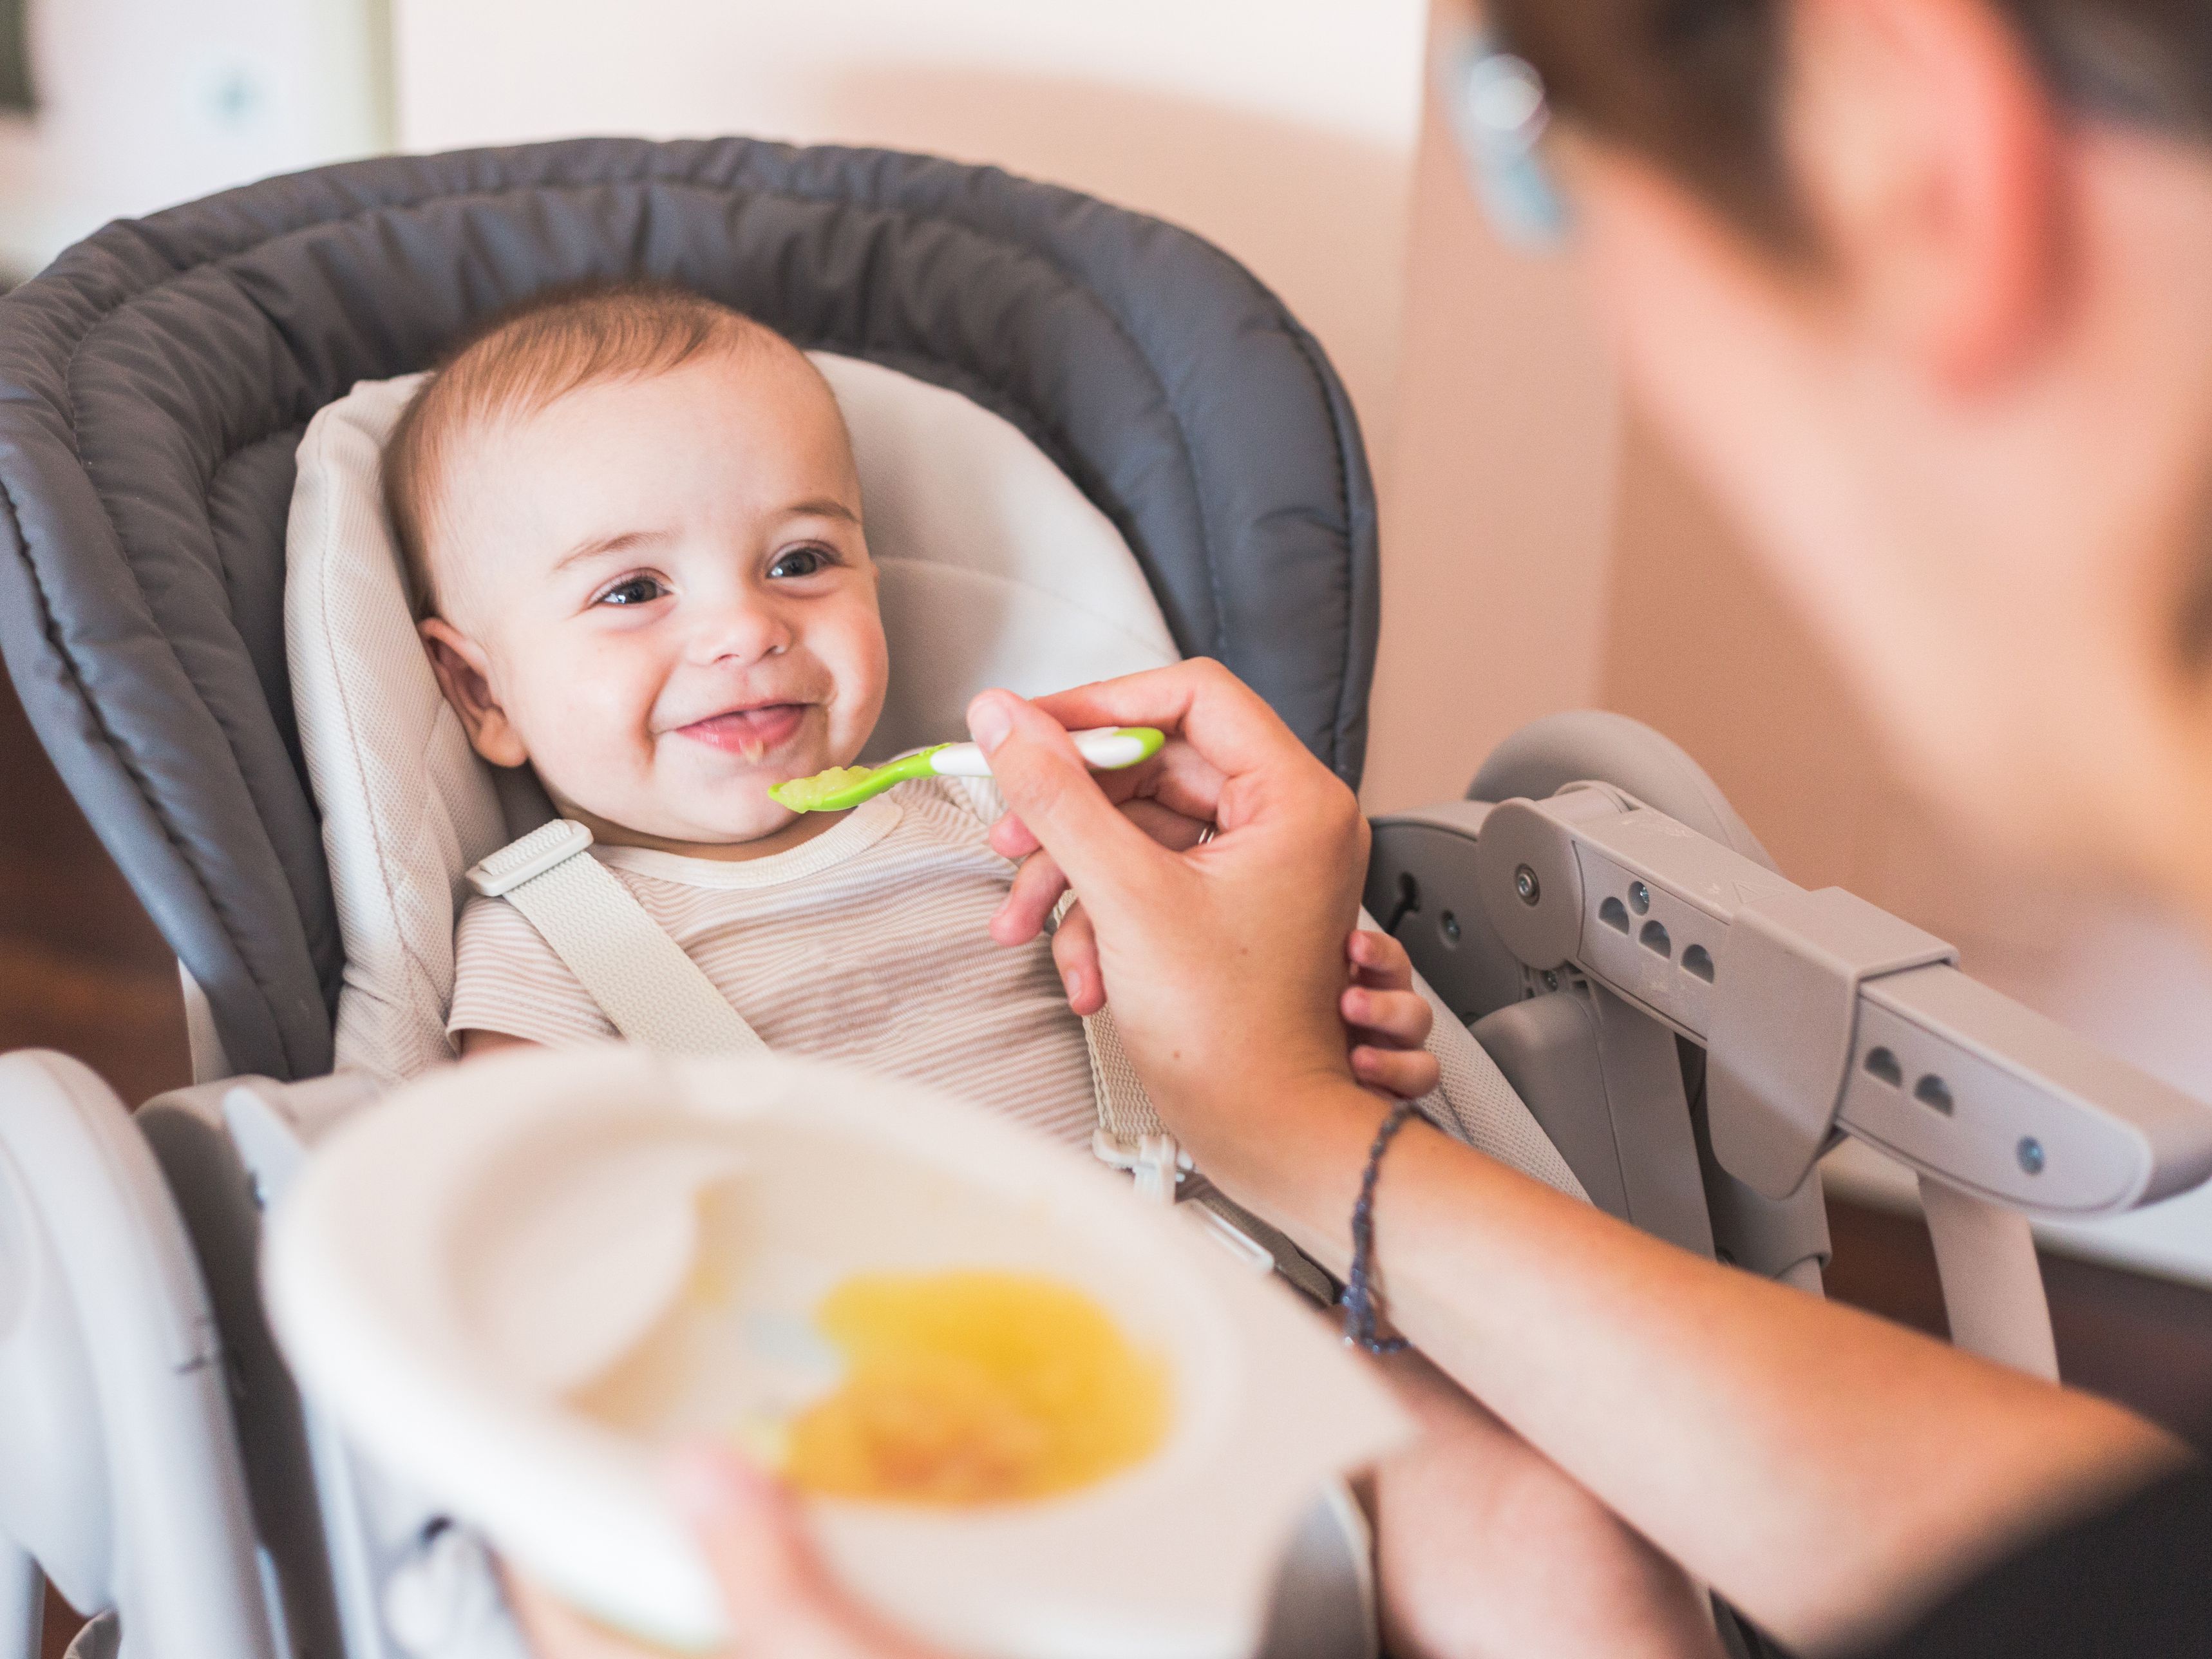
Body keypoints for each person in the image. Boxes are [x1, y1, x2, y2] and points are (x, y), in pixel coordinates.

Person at [525, 0, 2212, 1654]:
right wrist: (1290, 1110)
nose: (744, 626)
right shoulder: (541, 931)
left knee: (1542, 1513)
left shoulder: (1031, 824)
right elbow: (500, 1203)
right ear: (474, 696)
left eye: (805, 561)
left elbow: (1247, 1013)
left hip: (1229, 1335)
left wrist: (1335, 1036)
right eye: (627, 590)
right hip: (835, 1404)